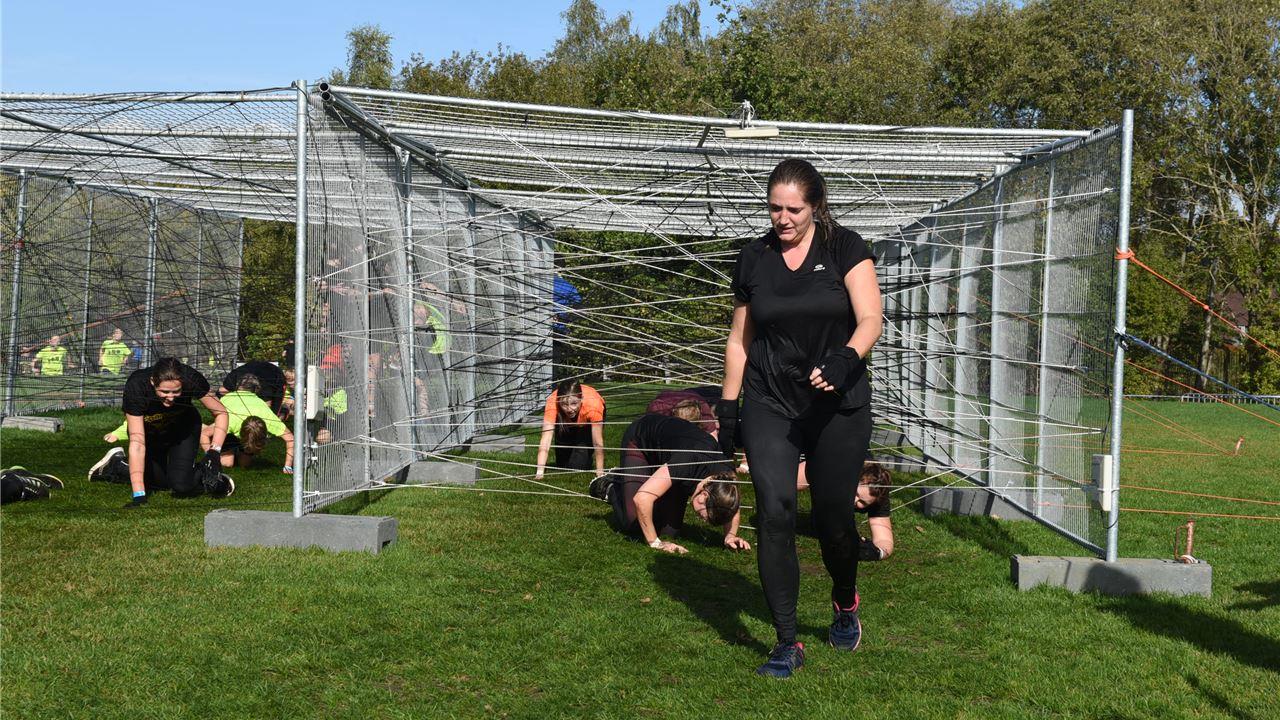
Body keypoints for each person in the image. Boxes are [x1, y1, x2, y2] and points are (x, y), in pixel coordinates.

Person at [718, 158, 883, 678]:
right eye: (774, 208)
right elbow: (740, 340)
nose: (782, 218)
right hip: (770, 400)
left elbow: (871, 318)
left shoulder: (845, 247)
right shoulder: (753, 258)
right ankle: (787, 641)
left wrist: (846, 358)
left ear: (816, 206)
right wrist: (728, 407)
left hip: (837, 404)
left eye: (793, 209)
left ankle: (844, 599)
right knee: (775, 511)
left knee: (834, 520)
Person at [589, 413, 748, 554]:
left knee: (669, 532)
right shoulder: (687, 462)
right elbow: (642, 499)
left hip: (673, 459)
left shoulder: (726, 477)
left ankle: (643, 482)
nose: (703, 520)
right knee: (634, 521)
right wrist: (655, 543)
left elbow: (731, 504)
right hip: (641, 441)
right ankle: (611, 485)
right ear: (704, 495)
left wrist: (730, 536)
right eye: (704, 516)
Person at [87, 357, 234, 506]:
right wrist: (139, 496)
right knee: (160, 483)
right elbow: (137, 444)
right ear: (153, 382)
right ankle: (117, 464)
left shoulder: (191, 378)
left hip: (183, 429)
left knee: (180, 486)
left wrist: (214, 452)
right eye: (164, 391)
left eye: (176, 391)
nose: (170, 398)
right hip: (150, 433)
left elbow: (221, 413)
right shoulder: (137, 386)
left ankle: (210, 475)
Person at [202, 374, 295, 473]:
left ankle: (239, 449)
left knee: (244, 464)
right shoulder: (230, 421)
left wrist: (287, 467)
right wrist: (211, 457)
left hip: (241, 432)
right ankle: (204, 428)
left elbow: (291, 439)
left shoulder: (267, 416)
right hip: (228, 433)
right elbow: (204, 435)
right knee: (227, 463)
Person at [533, 379, 606, 480]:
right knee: (562, 465)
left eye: (574, 403)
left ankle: (585, 452)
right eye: (564, 404)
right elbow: (546, 439)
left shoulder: (593, 406)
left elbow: (598, 443)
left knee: (577, 467)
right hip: (565, 421)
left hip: (586, 424)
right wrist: (539, 472)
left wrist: (600, 472)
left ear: (581, 399)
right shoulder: (552, 402)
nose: (569, 409)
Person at [220, 360, 287, 415]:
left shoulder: (273, 379)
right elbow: (222, 391)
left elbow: (222, 390)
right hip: (263, 374)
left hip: (272, 377)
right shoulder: (233, 377)